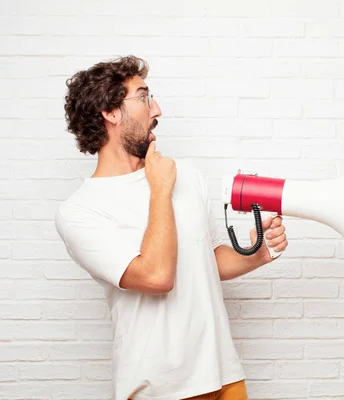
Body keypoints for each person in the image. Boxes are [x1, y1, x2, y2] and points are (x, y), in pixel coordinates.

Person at [55, 55, 288, 400]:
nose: (157, 109)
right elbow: (156, 277)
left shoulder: (188, 176)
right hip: (160, 389)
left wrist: (258, 252)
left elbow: (203, 260)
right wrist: (160, 190)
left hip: (225, 376)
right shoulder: (80, 211)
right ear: (110, 112)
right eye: (144, 96)